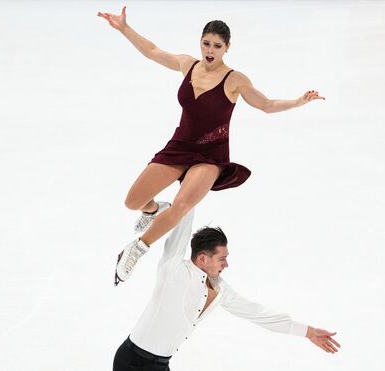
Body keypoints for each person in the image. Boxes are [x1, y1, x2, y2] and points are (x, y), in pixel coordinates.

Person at [98, 6, 325, 285]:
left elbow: (266, 105)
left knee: (181, 205)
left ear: (226, 48)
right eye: (206, 43)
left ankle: (136, 249)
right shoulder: (187, 65)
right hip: (179, 147)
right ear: (201, 42)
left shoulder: (235, 80)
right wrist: (124, 29)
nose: (210, 50)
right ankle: (154, 211)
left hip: (210, 157)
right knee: (133, 201)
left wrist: (298, 101)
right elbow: (153, 51)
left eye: (217, 46)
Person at [112, 210, 341, 371]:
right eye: (222, 259)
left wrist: (308, 331)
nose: (226, 264)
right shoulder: (173, 269)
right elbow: (185, 213)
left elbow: (259, 314)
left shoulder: (221, 290)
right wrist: (192, 180)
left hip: (160, 364)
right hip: (132, 361)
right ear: (202, 258)